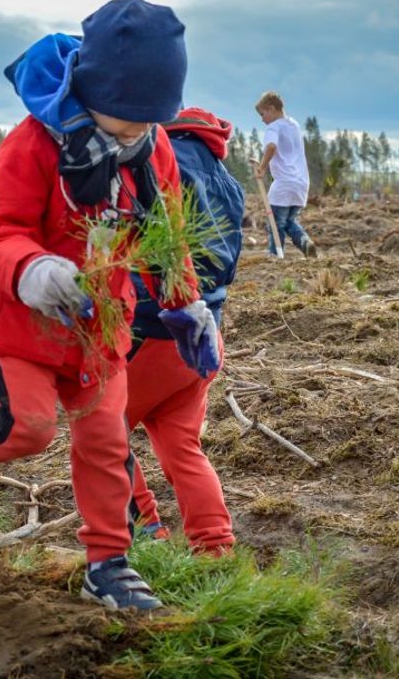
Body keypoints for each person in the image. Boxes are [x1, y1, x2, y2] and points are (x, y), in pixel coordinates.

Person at [0, 0, 218, 612]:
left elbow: (169, 239)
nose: (133, 134)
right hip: (23, 323)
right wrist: (35, 268)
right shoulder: (36, 143)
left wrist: (187, 307)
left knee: (105, 444)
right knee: (31, 427)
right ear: (91, 91)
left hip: (104, 330)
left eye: (147, 121)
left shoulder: (153, 148)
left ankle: (108, 563)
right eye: (121, 119)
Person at [127, 107, 243, 556]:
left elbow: (145, 246)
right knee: (182, 447)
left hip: (152, 330)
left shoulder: (158, 162)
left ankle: (145, 528)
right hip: (203, 337)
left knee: (100, 431)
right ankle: (215, 546)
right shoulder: (227, 181)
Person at [253, 92, 317, 257]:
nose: (262, 119)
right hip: (301, 184)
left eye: (263, 114)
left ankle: (276, 255)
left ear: (272, 109)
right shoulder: (294, 125)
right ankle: (305, 242)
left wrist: (262, 167)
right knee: (289, 222)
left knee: (275, 223)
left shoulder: (274, 127)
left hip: (284, 184)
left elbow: (272, 147)